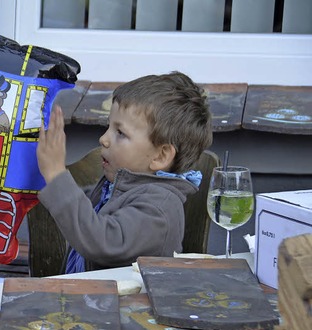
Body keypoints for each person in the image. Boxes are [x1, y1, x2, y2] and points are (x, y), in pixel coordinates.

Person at [36, 71, 212, 274]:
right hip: (94, 298)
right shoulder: (121, 185)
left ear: (160, 156)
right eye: (108, 126)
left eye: (120, 133)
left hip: (130, 304)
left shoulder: (160, 209)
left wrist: (57, 175)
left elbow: (101, 240)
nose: (104, 138)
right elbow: (84, 212)